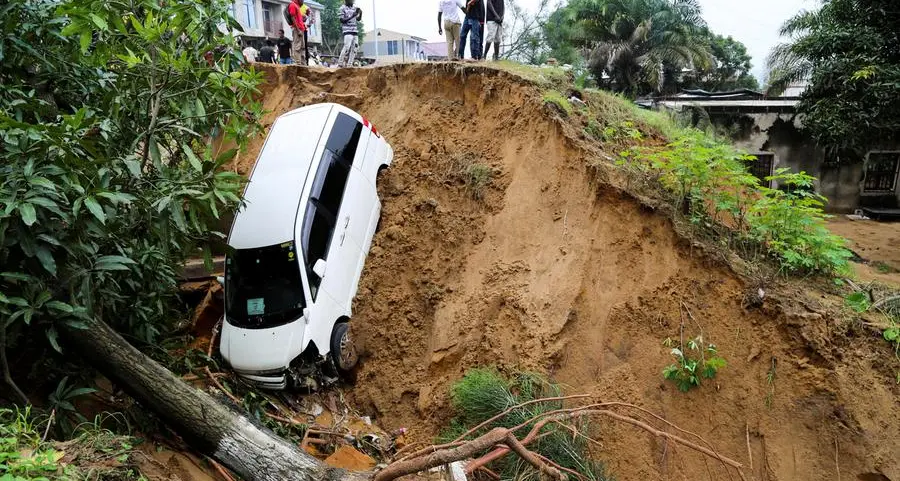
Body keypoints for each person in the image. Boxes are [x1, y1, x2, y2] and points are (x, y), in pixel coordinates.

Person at [338, 0, 362, 67]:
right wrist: (352, 15)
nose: (352, 1)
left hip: (355, 30)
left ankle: (350, 64)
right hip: (347, 30)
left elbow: (358, 19)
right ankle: (340, 63)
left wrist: (360, 13)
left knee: (355, 48)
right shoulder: (342, 8)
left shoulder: (354, 8)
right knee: (347, 47)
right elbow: (342, 20)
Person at [288, 0, 308, 65]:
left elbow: (296, 18)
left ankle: (303, 63)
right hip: (297, 29)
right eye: (302, 0)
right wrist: (298, 30)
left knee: (302, 47)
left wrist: (302, 18)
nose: (303, 2)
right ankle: (298, 63)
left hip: (301, 28)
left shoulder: (297, 6)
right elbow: (292, 17)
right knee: (297, 47)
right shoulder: (293, 5)